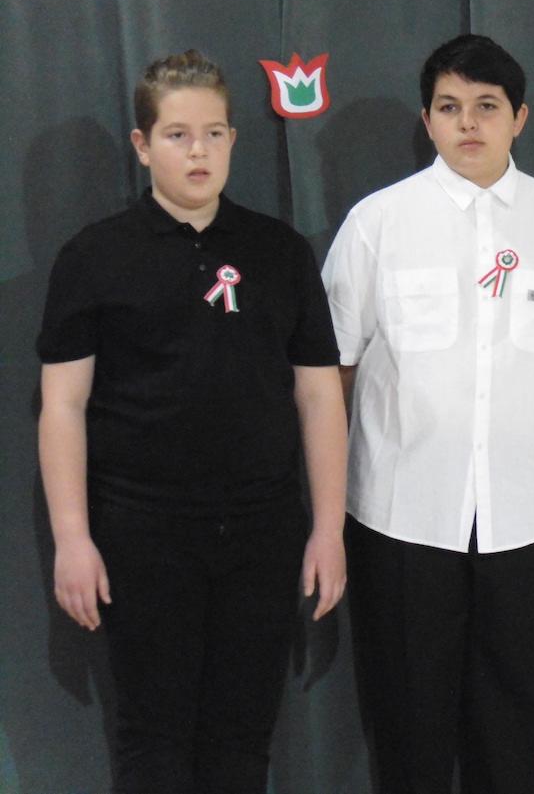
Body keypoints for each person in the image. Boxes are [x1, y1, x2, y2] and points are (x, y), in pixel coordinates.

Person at [37, 49, 347, 794]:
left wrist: (329, 528)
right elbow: (63, 405)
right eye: (177, 135)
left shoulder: (280, 252)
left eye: (213, 133)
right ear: (143, 145)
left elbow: (319, 397)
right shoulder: (94, 256)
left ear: (234, 139)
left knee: (242, 737)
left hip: (262, 529)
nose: (198, 151)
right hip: (142, 531)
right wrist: (73, 538)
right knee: (153, 738)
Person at [320, 34, 534, 794]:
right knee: (408, 721)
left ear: (519, 118)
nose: (468, 124)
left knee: (509, 718)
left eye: (487, 106)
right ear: (427, 120)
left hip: (526, 518)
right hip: (402, 517)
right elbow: (334, 367)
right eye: (449, 107)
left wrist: (521, 445)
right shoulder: (378, 221)